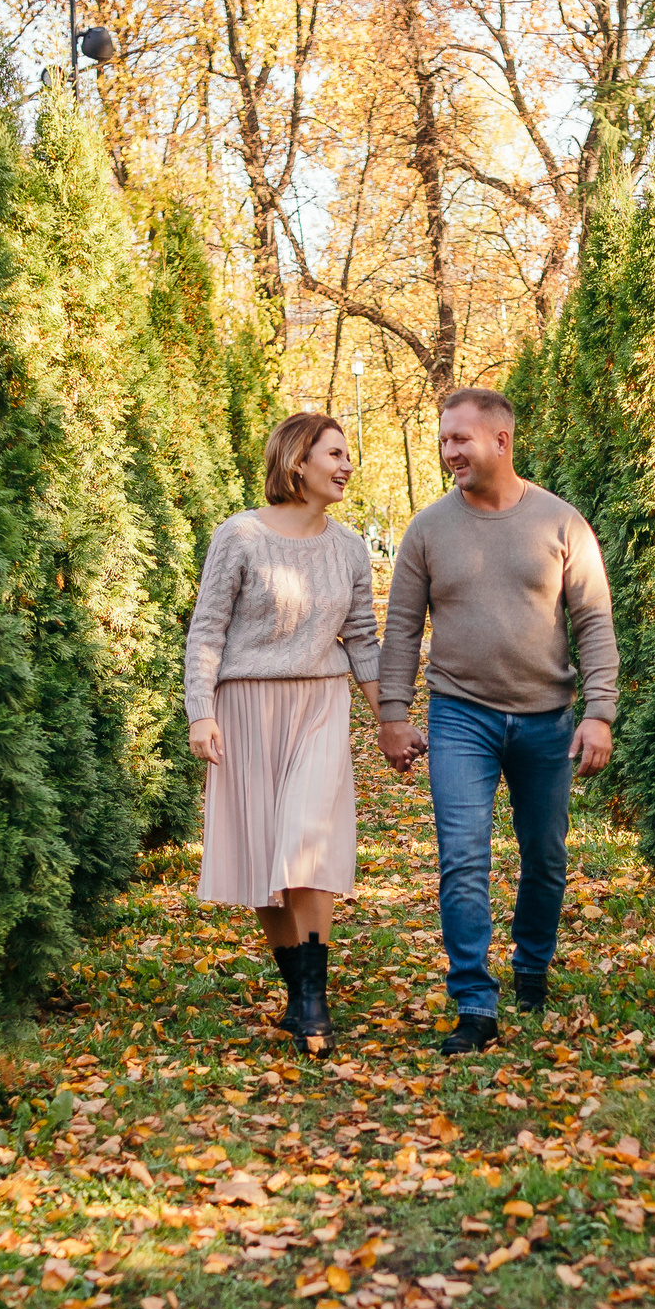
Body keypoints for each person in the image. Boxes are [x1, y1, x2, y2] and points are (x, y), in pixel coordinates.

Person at [378, 386, 618, 1055]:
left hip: (547, 719)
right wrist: (392, 713)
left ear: (501, 441)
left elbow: (594, 622)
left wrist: (599, 712)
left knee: (545, 856)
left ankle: (532, 968)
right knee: (463, 859)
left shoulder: (562, 523)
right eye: (443, 439)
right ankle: (475, 1004)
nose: (448, 451)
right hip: (460, 716)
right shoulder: (428, 529)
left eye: (460, 438)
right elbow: (401, 629)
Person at [183, 413, 385, 1053]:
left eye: (347, 455)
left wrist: (391, 720)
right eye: (335, 454)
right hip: (245, 706)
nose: (347, 465)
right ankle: (297, 994)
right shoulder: (240, 535)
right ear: (298, 462)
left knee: (307, 843)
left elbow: (363, 641)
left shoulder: (349, 548)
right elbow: (207, 629)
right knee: (263, 853)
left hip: (320, 703)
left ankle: (316, 1001)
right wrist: (200, 712)